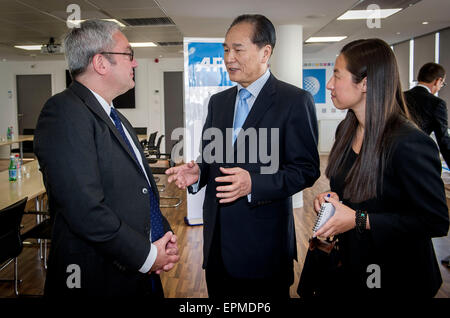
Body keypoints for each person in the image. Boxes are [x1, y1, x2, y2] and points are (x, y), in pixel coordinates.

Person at [166, 14, 320, 298]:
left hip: (263, 251)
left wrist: (254, 184)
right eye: (225, 50)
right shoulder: (219, 102)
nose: (229, 58)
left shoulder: (295, 101)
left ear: (265, 52)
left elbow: (306, 169)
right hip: (217, 249)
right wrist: (199, 171)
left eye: (238, 49)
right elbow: (211, 158)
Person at [34, 20, 179, 297]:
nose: (135, 63)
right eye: (129, 54)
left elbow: (138, 190)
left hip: (136, 270)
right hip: (96, 278)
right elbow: (85, 210)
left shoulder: (115, 116)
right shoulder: (64, 113)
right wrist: (147, 255)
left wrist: (162, 237)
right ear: (101, 63)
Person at [303, 38, 449, 297]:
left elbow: (435, 221)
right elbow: (354, 195)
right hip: (351, 265)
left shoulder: (410, 143)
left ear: (366, 83)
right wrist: (334, 200)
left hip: (397, 276)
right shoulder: (345, 130)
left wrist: (358, 219)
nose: (329, 84)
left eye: (337, 75)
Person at [404, 62, 450, 166]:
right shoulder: (437, 104)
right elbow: (444, 142)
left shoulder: (399, 97)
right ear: (438, 81)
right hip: (416, 160)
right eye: (442, 84)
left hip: (391, 159)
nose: (440, 87)